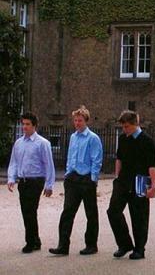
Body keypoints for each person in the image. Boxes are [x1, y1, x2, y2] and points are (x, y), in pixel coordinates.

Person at [49, 106, 103, 256]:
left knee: (91, 213)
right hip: (72, 178)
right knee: (67, 212)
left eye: (80, 120)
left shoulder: (93, 138)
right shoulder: (73, 137)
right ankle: (63, 245)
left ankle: (91, 244)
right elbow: (70, 156)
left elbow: (96, 160)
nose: (77, 123)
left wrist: (93, 179)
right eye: (75, 120)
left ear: (86, 121)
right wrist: (68, 173)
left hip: (86, 179)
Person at [107, 110, 155, 260]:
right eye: (123, 126)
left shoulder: (147, 141)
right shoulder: (123, 139)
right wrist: (116, 176)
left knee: (139, 217)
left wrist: (153, 185)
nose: (124, 130)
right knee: (113, 211)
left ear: (136, 124)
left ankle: (139, 248)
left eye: (127, 126)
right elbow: (119, 158)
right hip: (123, 181)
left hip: (140, 181)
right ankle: (124, 244)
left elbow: (152, 165)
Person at [7, 112, 55, 254]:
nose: (25, 127)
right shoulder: (19, 143)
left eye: (28, 124)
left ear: (34, 125)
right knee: (27, 211)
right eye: (23, 124)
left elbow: (49, 165)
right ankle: (35, 239)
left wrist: (49, 184)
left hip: (36, 180)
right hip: (23, 180)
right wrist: (11, 178)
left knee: (30, 210)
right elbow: (14, 162)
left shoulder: (42, 143)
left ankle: (30, 241)